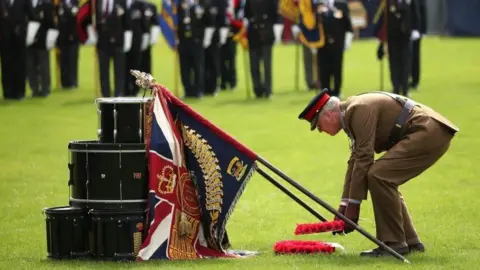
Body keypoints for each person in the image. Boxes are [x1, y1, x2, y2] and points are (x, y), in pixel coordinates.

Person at [298, 89, 459, 257]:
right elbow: (355, 160)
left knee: (379, 176)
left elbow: (365, 157)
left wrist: (353, 207)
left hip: (427, 131)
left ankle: (394, 244)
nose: (321, 130)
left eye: (318, 126)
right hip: (426, 130)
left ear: (329, 115)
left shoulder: (358, 110)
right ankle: (410, 241)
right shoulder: (350, 114)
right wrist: (344, 206)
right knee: (383, 177)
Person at [376, 0, 420, 97]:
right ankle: (395, 87)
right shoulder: (388, 1)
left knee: (406, 62)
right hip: (392, 36)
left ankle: (405, 88)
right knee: (393, 62)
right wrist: (381, 37)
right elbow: (383, 18)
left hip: (406, 36)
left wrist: (416, 29)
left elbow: (414, 13)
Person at [315, 0, 353, 98]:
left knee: (337, 68)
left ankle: (337, 91)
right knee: (323, 69)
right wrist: (312, 42)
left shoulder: (341, 5)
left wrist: (347, 41)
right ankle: (324, 92)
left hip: (337, 44)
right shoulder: (317, 5)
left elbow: (348, 25)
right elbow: (313, 25)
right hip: (322, 45)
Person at [0, 0, 35, 100]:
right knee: (6, 64)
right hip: (4, 37)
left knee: (20, 64)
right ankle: (7, 92)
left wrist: (29, 34)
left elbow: (32, 16)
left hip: (20, 36)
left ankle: (19, 92)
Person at [27, 0, 58, 98]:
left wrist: (51, 39)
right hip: (29, 40)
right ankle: (34, 89)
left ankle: (45, 89)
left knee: (44, 66)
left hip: (42, 40)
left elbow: (51, 23)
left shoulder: (46, 4)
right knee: (30, 66)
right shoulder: (25, 3)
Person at [56, 0, 80, 90]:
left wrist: (66, 7)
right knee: (63, 60)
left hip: (73, 36)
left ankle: (73, 82)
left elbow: (74, 17)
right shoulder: (59, 4)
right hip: (62, 37)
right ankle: (64, 82)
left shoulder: (75, 3)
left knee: (72, 60)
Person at [409, 0, 426, 90]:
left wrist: (422, 30)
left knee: (415, 56)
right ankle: (404, 80)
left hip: (416, 30)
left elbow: (422, 10)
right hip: (405, 28)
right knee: (404, 57)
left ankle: (415, 81)